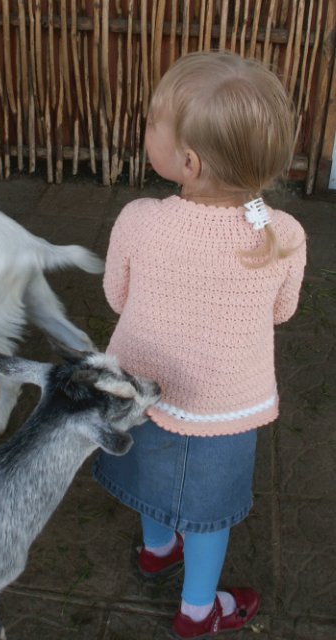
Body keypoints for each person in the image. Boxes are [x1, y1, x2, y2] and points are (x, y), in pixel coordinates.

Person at [93, 50, 306, 639]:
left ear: (187, 162)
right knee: (210, 514)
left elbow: (116, 295)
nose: (145, 133)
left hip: (138, 392)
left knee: (147, 477)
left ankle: (158, 550)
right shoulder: (281, 234)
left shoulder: (137, 219)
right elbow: (283, 311)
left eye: (151, 125)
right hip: (226, 409)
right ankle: (197, 611)